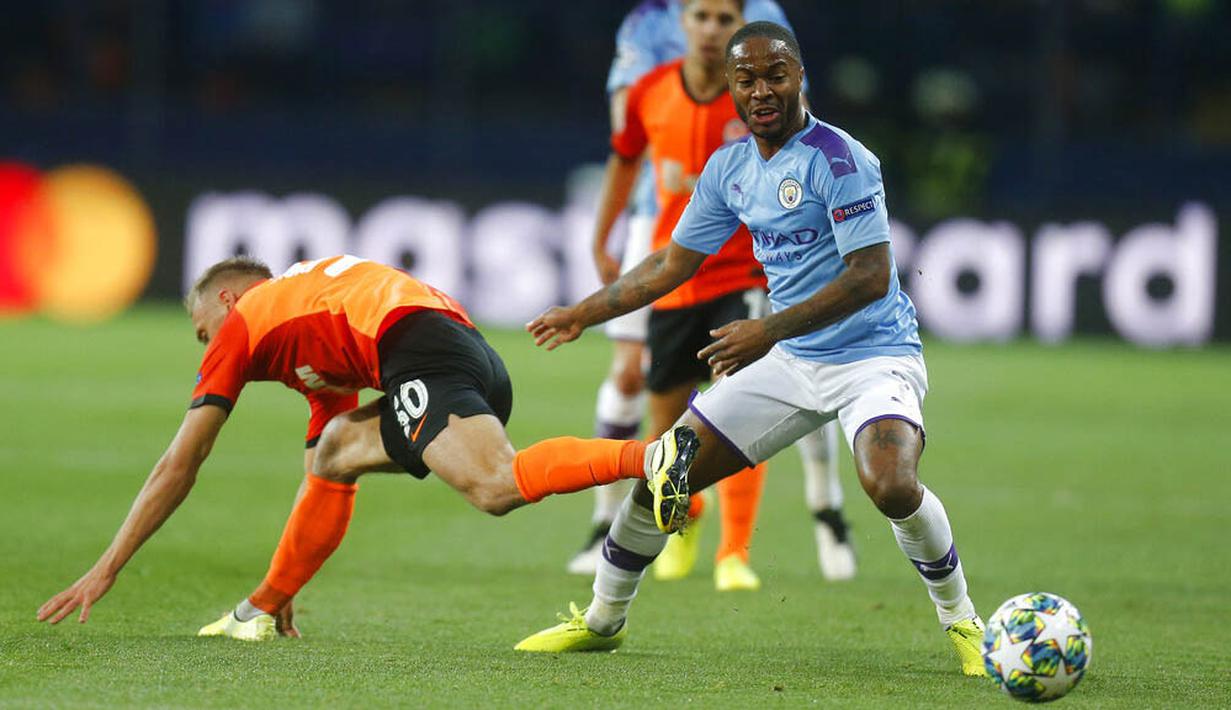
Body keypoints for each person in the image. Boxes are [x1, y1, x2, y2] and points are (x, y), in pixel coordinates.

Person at [519, 22, 987, 676]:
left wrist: (766, 330)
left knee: (889, 483)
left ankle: (963, 621)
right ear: (731, 89)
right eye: (746, 80)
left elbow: (869, 276)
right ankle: (602, 621)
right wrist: (583, 312)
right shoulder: (730, 168)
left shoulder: (839, 159)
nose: (761, 90)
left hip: (873, 356)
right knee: (665, 472)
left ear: (800, 79)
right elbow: (670, 264)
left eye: (775, 75)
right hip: (792, 361)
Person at [35, 255, 693, 641]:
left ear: (227, 300)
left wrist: (107, 567)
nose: (204, 344)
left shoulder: (247, 322)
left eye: (201, 329)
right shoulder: (308, 324)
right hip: (459, 353)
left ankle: (652, 456)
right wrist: (286, 581)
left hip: (418, 348)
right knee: (337, 451)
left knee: (494, 486)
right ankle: (258, 609)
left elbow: (181, 461)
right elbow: (324, 464)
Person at [572, 0, 856, 585]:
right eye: (700, 17)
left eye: (723, 19)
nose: (710, 28)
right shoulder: (650, 75)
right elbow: (625, 156)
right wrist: (603, 236)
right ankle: (679, 518)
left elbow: (808, 152)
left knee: (742, 390)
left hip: (748, 266)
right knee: (659, 411)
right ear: (682, 22)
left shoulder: (758, 91)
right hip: (669, 260)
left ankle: (737, 551)